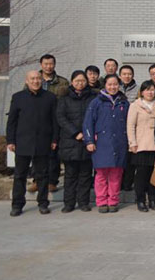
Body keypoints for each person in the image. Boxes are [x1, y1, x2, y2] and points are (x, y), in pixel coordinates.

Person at [6, 70, 58, 216]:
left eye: (38, 78)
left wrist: (54, 139)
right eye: (32, 79)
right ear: (27, 81)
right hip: (22, 142)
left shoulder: (50, 97)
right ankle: (17, 205)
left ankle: (43, 203)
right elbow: (12, 121)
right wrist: (10, 140)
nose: (36, 81)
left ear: (42, 80)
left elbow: (55, 121)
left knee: (43, 175)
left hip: (43, 142)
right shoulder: (18, 97)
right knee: (20, 176)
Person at [83, 74, 129, 214]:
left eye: (115, 84)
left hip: (119, 142)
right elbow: (88, 123)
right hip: (101, 143)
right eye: (110, 84)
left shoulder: (124, 102)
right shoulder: (96, 102)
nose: (113, 87)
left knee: (116, 174)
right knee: (101, 175)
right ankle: (102, 201)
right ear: (105, 85)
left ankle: (113, 200)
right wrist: (89, 141)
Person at [56, 71, 95, 213]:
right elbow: (61, 118)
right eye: (77, 81)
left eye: (83, 81)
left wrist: (88, 134)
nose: (80, 83)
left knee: (85, 175)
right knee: (70, 175)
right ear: (72, 82)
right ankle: (69, 203)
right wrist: (75, 133)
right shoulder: (64, 98)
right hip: (70, 141)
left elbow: (95, 117)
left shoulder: (93, 97)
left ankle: (83, 202)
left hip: (87, 141)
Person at [35, 54, 69, 193]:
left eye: (51, 64)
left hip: (56, 119)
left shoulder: (62, 82)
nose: (48, 67)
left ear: (54, 64)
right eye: (46, 64)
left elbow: (67, 101)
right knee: (37, 151)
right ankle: (36, 180)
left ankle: (52, 181)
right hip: (38, 120)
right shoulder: (35, 79)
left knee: (54, 152)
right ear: (41, 65)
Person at [126, 80, 155, 212]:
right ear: (142, 92)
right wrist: (132, 143)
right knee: (141, 174)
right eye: (147, 90)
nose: (150, 92)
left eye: (152, 90)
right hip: (141, 144)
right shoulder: (135, 105)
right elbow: (130, 125)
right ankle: (140, 200)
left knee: (154, 173)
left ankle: (153, 199)